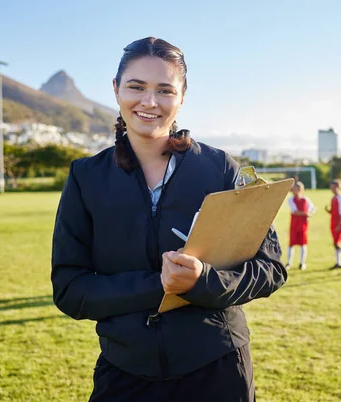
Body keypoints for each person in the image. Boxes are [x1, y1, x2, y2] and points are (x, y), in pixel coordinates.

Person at [51, 37, 287, 402]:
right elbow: (70, 289)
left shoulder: (219, 169)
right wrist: (160, 285)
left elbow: (270, 268)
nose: (149, 102)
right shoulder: (86, 177)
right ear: (116, 90)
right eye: (136, 87)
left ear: (181, 97)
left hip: (218, 369)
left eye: (164, 90)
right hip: (125, 373)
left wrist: (203, 281)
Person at [286, 181, 316, 270]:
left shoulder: (306, 199)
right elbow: (294, 211)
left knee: (303, 243)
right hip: (294, 225)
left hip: (303, 225)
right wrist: (306, 214)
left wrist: (308, 214)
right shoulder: (291, 199)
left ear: (299, 189)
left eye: (294, 188)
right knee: (291, 244)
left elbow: (312, 209)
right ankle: (289, 263)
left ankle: (302, 263)